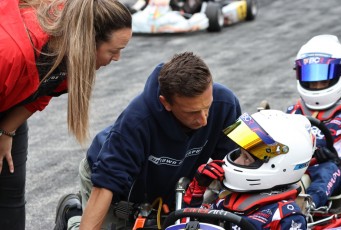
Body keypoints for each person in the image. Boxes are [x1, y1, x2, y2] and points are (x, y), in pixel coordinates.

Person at [53, 51, 242, 230]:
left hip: (169, 186)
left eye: (207, 107)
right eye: (192, 112)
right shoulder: (137, 121)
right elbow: (106, 185)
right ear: (165, 103)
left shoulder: (225, 103)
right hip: (114, 187)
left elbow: (235, 165)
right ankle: (74, 214)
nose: (204, 120)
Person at [0, 0, 132, 229]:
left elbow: (41, 92)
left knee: (9, 191)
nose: (117, 59)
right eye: (114, 51)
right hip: (6, 70)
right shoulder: (11, 53)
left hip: (9, 106)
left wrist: (6, 131)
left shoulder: (70, 53)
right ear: (88, 42)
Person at [181, 110, 315, 229]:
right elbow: (190, 224)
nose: (237, 161)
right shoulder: (226, 199)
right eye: (240, 153)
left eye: (246, 157)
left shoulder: (285, 216)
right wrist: (198, 189)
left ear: (279, 166)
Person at [286, 34, 341, 209]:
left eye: (322, 80)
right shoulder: (293, 111)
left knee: (328, 169)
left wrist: (337, 161)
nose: (316, 86)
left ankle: (307, 206)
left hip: (333, 171)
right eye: (311, 81)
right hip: (292, 167)